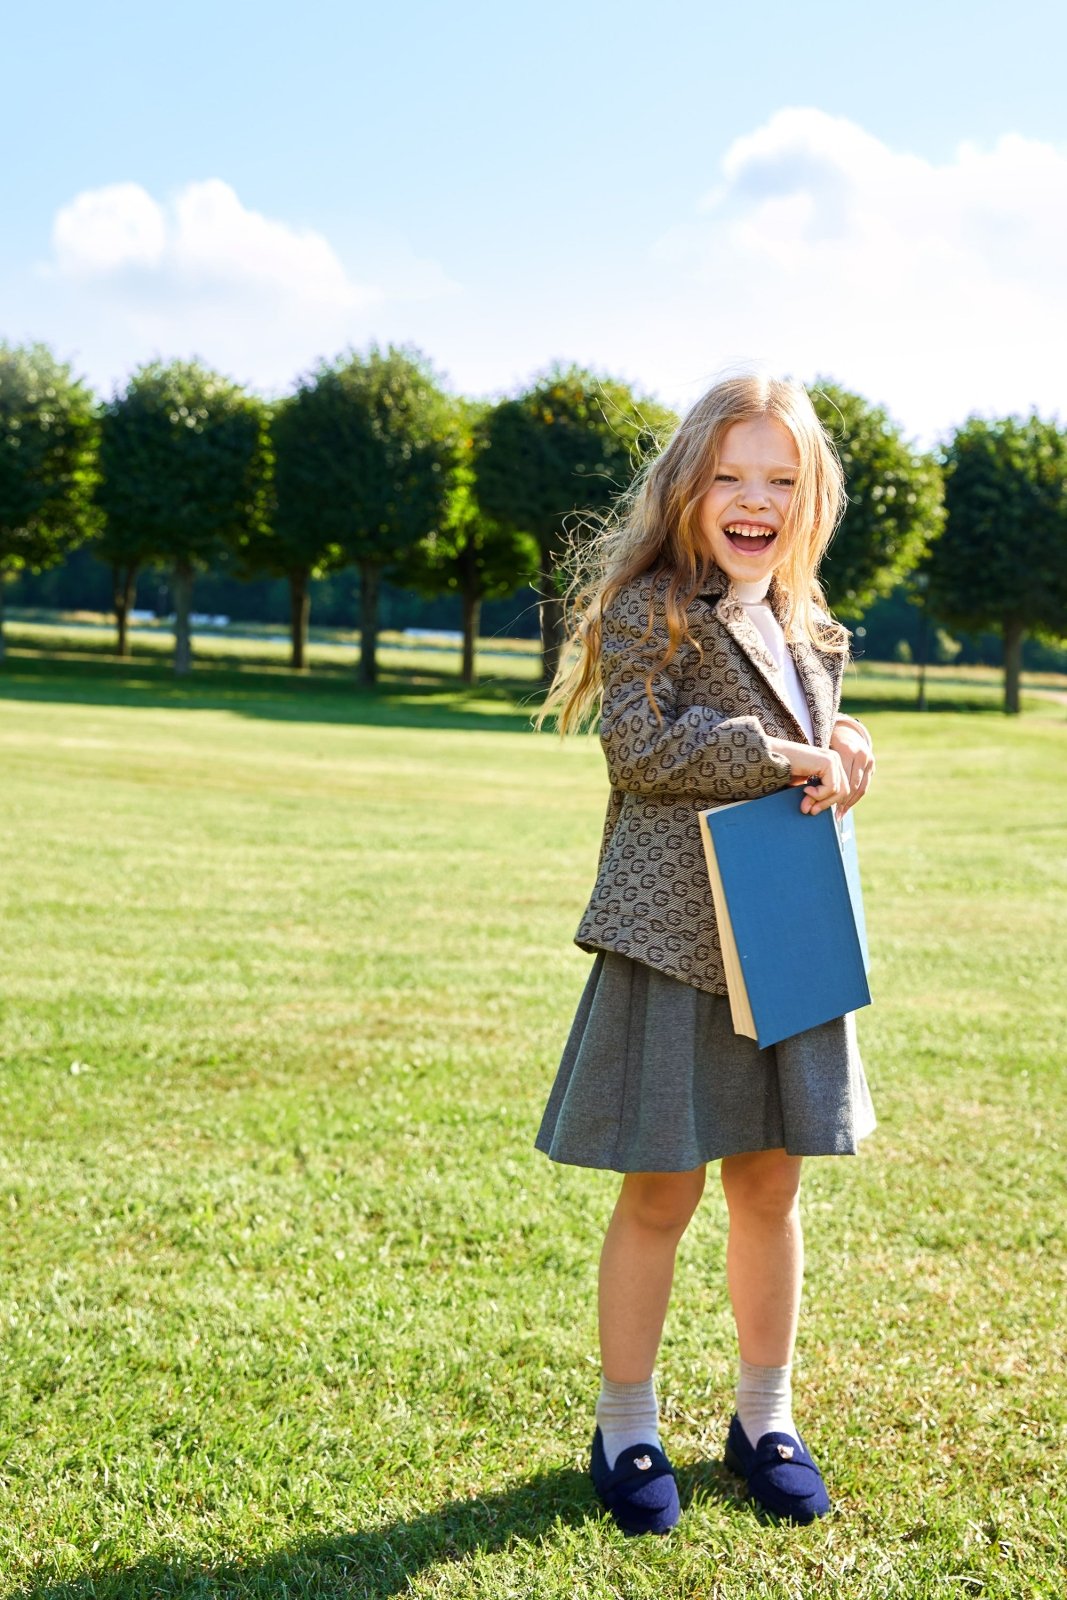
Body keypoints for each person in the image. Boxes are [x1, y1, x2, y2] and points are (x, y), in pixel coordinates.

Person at [535, 373, 876, 1534]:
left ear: (809, 498)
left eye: (780, 479)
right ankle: (626, 1423)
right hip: (676, 944)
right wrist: (781, 751)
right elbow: (639, 749)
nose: (752, 498)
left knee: (770, 1185)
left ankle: (761, 1416)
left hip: (779, 942)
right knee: (659, 1188)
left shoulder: (806, 621)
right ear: (687, 482)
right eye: (730, 474)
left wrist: (842, 739)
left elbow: (807, 749)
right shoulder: (650, 605)